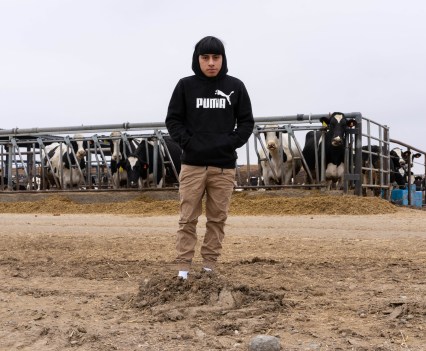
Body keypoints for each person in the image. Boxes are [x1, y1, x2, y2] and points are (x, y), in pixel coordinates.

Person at [165, 36, 254, 279]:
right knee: (187, 218)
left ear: (223, 59)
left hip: (223, 167)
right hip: (192, 165)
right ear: (198, 60)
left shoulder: (236, 86)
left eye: (216, 57)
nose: (211, 63)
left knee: (217, 219)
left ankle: (209, 267)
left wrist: (229, 143)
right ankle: (183, 269)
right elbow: (173, 120)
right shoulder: (185, 86)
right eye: (205, 58)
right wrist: (189, 142)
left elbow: (246, 122)